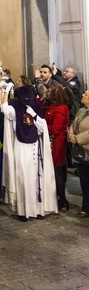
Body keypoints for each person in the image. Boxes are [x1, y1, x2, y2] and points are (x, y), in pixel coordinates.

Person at [1, 83, 57, 220]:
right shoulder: (16, 109)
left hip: (34, 147)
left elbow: (43, 128)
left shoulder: (35, 108)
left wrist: (35, 116)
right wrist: (6, 91)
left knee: (36, 178)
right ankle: (23, 211)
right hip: (21, 146)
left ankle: (37, 210)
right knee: (22, 177)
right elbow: (4, 109)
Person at [43, 83, 70, 210]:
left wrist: (42, 125)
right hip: (53, 143)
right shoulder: (52, 107)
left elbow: (55, 129)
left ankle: (61, 198)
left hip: (57, 145)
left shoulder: (59, 109)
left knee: (57, 171)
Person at [67, 89, 89, 218]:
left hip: (86, 147)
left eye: (85, 94)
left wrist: (77, 139)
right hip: (81, 152)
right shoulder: (81, 111)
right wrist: (70, 134)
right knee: (84, 181)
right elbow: (73, 124)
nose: (82, 95)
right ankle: (86, 208)